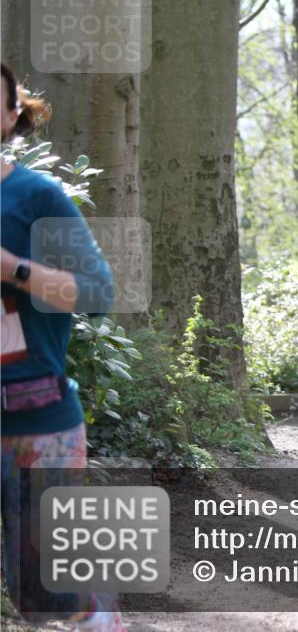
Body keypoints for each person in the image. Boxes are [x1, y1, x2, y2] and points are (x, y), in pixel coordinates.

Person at [1, 63, 122, 631]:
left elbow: (97, 293)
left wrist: (13, 268)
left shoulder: (35, 197)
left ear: (11, 116)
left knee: (49, 594)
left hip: (34, 422)